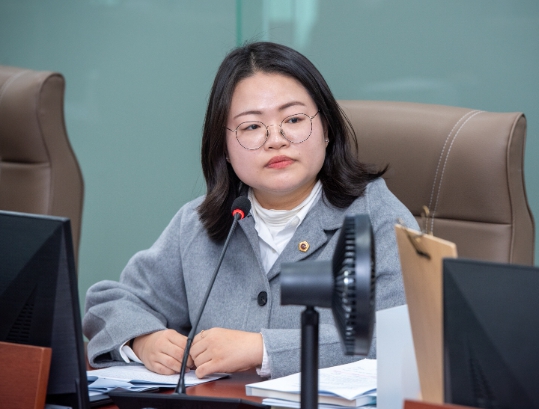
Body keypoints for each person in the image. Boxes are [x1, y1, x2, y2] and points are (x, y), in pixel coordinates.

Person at [83, 41, 418, 380]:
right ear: (225, 149)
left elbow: (406, 337)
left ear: (327, 128)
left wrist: (263, 349)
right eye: (252, 127)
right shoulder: (200, 223)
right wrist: (144, 339)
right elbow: (110, 303)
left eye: (294, 119)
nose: (276, 140)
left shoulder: (377, 217)